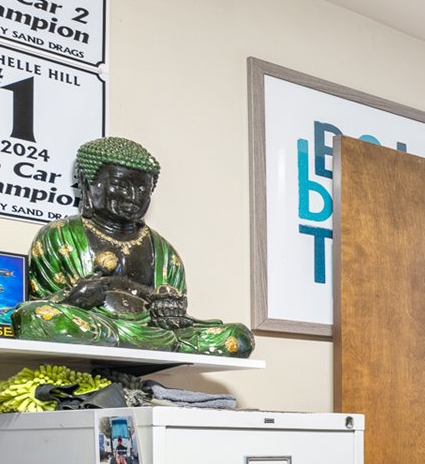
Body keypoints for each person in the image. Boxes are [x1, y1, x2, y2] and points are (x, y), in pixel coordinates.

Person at [14, 136, 254, 356]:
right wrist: (72, 299)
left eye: (142, 189)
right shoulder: (60, 235)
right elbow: (43, 303)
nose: (132, 197)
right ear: (88, 184)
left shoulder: (164, 251)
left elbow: (175, 310)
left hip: (152, 330)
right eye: (120, 185)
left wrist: (170, 311)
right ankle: (149, 346)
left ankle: (144, 344)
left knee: (239, 337)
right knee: (34, 318)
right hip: (95, 324)